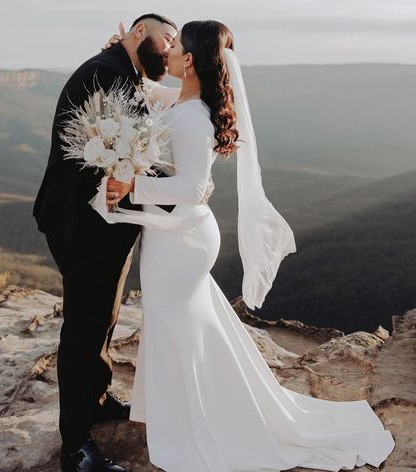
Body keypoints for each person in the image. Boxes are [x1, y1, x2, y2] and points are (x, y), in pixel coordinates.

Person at [102, 20, 396, 471]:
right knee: (187, 329)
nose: (169, 49)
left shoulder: (190, 115)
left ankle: (194, 421)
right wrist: (126, 49)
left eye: (175, 44)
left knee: (176, 329)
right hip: (178, 237)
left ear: (190, 60)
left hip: (181, 242)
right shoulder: (183, 102)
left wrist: (129, 185)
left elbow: (191, 186)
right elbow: (148, 90)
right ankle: (183, 411)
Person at [32, 13, 178, 472]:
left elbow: (129, 157)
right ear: (140, 34)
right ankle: (75, 448)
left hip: (103, 224)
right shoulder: (107, 74)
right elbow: (131, 158)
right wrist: (180, 191)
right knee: (83, 328)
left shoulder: (121, 71)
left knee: (104, 317)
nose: (171, 49)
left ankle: (94, 400)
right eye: (167, 39)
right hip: (84, 227)